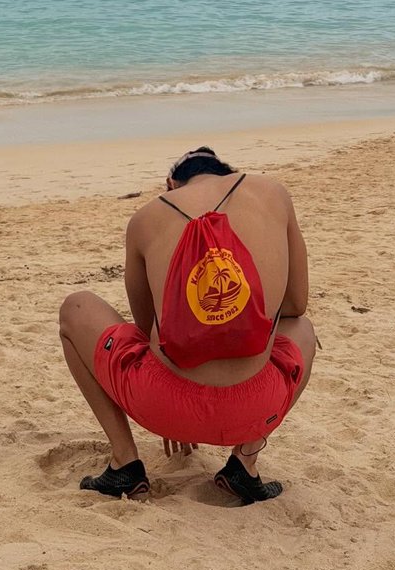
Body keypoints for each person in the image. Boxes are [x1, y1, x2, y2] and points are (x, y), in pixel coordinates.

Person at [58, 146, 315, 503]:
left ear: (170, 184)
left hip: (161, 404)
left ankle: (124, 463)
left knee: (76, 307)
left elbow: (146, 330)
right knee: (302, 330)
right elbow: (296, 304)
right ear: (227, 172)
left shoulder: (145, 219)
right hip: (256, 404)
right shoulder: (272, 192)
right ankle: (245, 464)